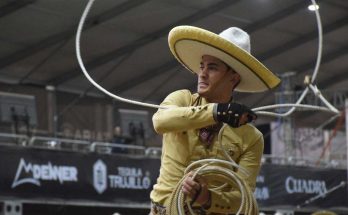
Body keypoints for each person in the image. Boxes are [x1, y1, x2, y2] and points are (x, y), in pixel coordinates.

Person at [149, 25, 280, 214]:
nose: (202, 73)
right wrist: (217, 111)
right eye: (202, 66)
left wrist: (207, 198)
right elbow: (160, 122)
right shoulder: (182, 99)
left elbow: (244, 196)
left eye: (212, 68)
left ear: (233, 78)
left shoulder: (251, 138)